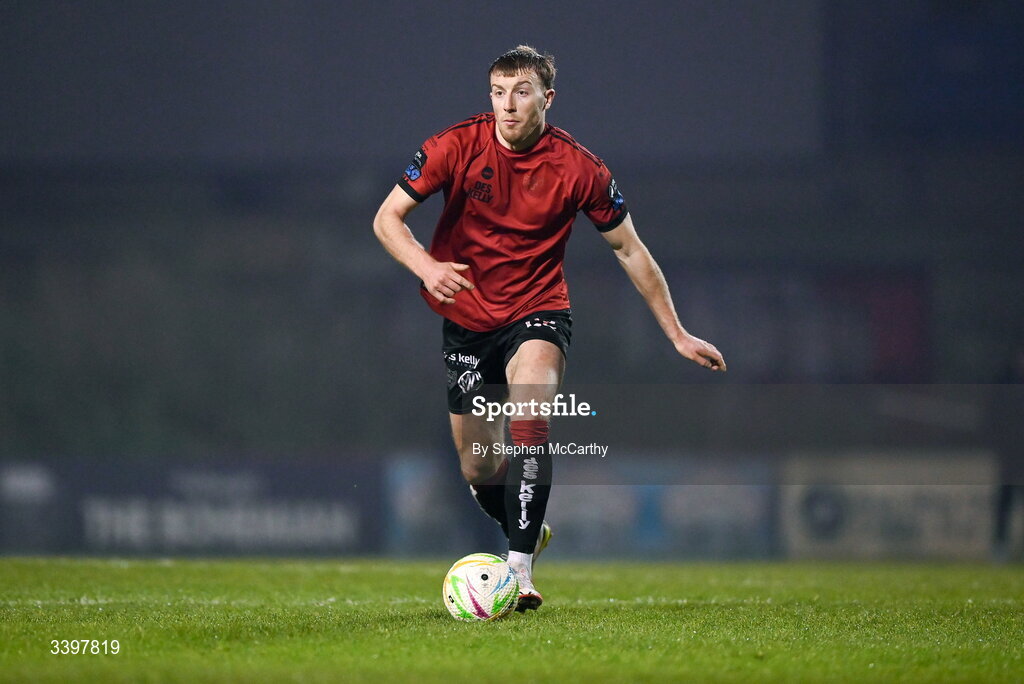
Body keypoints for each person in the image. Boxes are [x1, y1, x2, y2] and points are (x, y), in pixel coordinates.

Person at [373, 45, 726, 611]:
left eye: (520, 92)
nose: (507, 105)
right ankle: (529, 530)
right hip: (467, 320)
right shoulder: (454, 145)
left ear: (546, 97)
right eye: (498, 92)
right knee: (479, 465)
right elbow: (386, 218)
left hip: (538, 310)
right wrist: (427, 266)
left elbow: (631, 252)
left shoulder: (580, 168)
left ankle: (519, 569)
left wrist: (678, 334)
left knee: (531, 408)